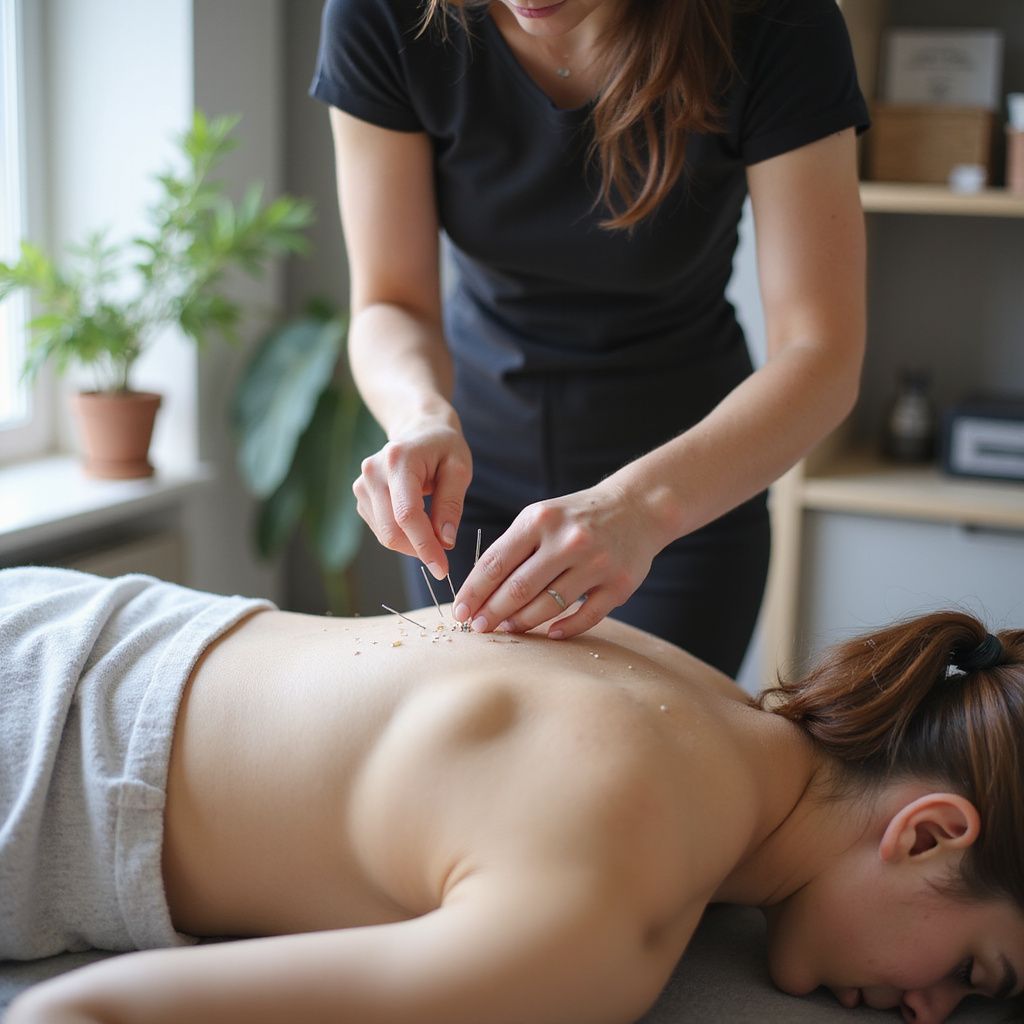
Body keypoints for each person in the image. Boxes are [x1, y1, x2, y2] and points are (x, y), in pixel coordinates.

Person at [3, 565, 1023, 1024]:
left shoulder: (705, 696)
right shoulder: (608, 909)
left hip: (88, 617)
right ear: (930, 832)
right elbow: (79, 1013)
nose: (932, 1011)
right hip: (36, 766)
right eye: (974, 970)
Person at [309, 0, 869, 674]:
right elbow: (390, 302)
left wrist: (641, 508)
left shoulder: (776, 21)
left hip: (681, 503)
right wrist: (418, 415)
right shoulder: (381, 14)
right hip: (470, 498)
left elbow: (821, 353)